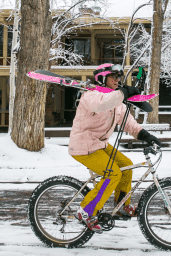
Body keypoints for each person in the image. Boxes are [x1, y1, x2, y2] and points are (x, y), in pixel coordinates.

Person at [68, 63, 161, 233]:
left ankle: (121, 205)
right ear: (102, 78)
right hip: (83, 145)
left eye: (119, 77)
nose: (118, 80)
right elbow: (103, 104)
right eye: (114, 77)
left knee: (126, 166)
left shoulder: (116, 101)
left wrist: (146, 136)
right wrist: (124, 93)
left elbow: (129, 124)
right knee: (113, 173)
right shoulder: (91, 96)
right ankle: (86, 211)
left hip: (99, 144)